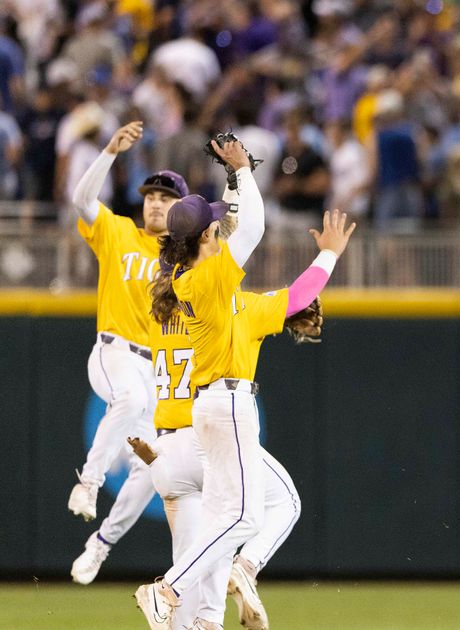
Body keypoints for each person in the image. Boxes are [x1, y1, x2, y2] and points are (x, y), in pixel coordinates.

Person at [135, 181, 354, 629]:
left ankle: (212, 600)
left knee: (225, 525)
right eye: (214, 229)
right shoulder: (208, 281)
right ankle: (169, 588)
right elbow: (252, 230)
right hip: (225, 406)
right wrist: (241, 173)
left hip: (197, 420)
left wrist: (323, 260)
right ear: (205, 240)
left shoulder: (209, 291)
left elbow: (292, 297)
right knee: (245, 516)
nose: (220, 233)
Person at [66, 121, 188, 585]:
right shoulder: (118, 232)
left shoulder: (188, 259)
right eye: (151, 195)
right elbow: (80, 200)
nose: (155, 202)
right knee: (131, 402)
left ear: (181, 209)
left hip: (155, 371)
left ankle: (100, 545)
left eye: (166, 197)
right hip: (113, 352)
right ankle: (89, 482)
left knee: (152, 469)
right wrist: (110, 152)